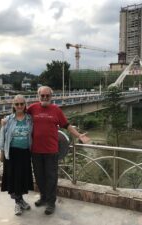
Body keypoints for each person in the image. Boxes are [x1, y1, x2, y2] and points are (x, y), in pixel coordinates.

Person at [28, 86, 90, 215]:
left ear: (51, 97)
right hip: (35, 150)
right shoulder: (32, 108)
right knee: (39, 177)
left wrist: (79, 135)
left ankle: (51, 202)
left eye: (47, 96)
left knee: (51, 177)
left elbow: (66, 125)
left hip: (51, 150)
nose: (45, 98)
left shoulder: (56, 110)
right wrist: (7, 121)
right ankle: (43, 197)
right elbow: (20, 116)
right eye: (42, 95)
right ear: (38, 96)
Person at [0, 94, 34, 216]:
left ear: (25, 105)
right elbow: (2, 136)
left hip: (25, 153)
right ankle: (17, 203)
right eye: (17, 104)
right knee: (14, 178)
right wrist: (1, 152)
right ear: (13, 105)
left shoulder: (29, 119)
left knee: (22, 178)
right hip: (12, 153)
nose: (19, 106)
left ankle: (21, 200)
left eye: (21, 104)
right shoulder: (8, 120)